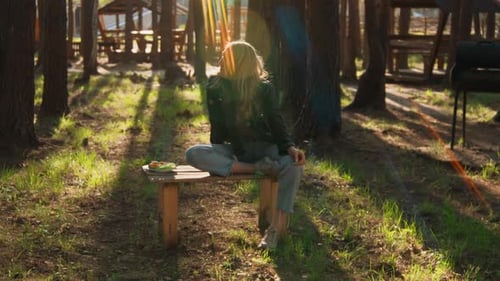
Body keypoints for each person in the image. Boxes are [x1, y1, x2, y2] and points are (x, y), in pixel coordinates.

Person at [185, 40, 306, 250]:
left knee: (294, 164)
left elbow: (275, 120)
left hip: (265, 147)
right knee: (193, 153)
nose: (221, 60)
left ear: (238, 62)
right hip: (237, 152)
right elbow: (218, 135)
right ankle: (256, 168)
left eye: (225, 56)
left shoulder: (264, 88)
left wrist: (289, 147)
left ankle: (274, 231)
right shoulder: (215, 87)